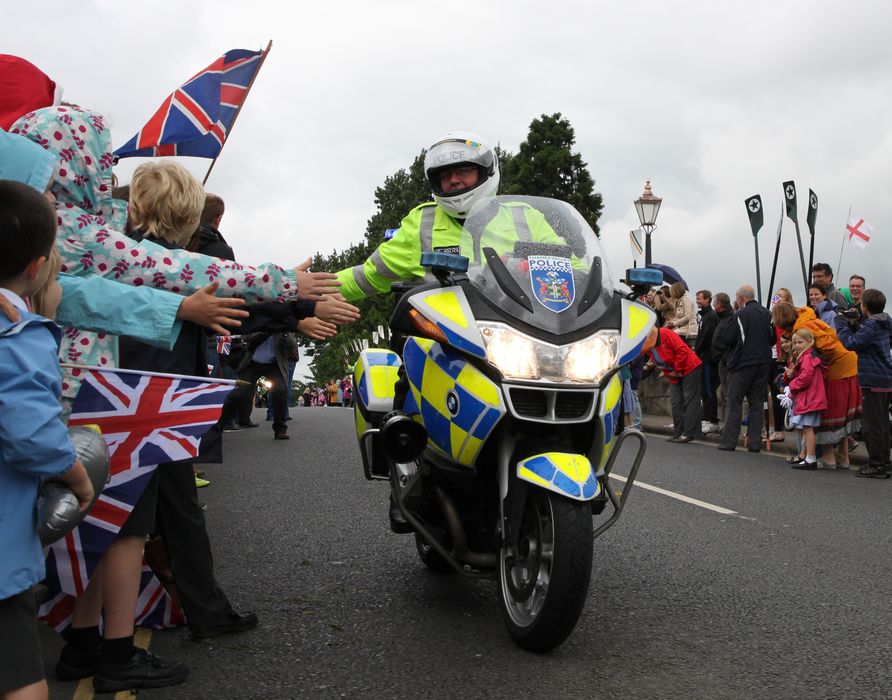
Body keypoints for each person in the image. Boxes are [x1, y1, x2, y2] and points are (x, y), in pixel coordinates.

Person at [0, 180, 94, 700]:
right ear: (37, 268)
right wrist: (78, 478)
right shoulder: (19, 331)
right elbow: (32, 435)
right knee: (20, 679)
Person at [335, 131, 561, 300]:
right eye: (445, 175)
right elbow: (368, 276)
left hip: (521, 331)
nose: (453, 180)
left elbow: (575, 269)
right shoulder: (422, 223)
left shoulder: (525, 218)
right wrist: (311, 291)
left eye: (463, 171)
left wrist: (531, 271)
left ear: (486, 171)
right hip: (443, 341)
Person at [772, 302, 861, 469]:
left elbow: (828, 348)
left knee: (828, 417)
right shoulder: (808, 319)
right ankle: (843, 456)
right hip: (848, 367)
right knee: (841, 417)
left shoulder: (804, 327)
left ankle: (829, 458)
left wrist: (815, 364)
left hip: (837, 372)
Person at [835, 289, 892, 478]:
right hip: (884, 378)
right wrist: (854, 323)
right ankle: (884, 462)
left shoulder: (872, 325)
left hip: (872, 379)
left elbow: (851, 343)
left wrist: (841, 325)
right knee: (882, 423)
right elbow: (866, 339)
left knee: (871, 425)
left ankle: (876, 464)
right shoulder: (884, 321)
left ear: (864, 306)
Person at [717, 285, 774, 453]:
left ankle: (729, 442)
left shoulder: (740, 314)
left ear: (741, 298)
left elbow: (728, 338)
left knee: (734, 402)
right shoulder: (766, 313)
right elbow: (772, 338)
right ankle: (755, 442)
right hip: (763, 363)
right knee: (756, 403)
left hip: (742, 363)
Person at [646, 326, 703, 442]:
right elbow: (658, 358)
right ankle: (679, 432)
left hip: (689, 367)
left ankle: (689, 433)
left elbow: (681, 350)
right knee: (676, 402)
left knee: (690, 400)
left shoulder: (665, 333)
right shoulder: (648, 343)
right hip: (674, 371)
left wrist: (676, 370)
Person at [783, 329, 828, 470]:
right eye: (795, 342)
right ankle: (804, 456)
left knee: (808, 429)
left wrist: (792, 385)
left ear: (810, 342)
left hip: (810, 398)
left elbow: (806, 378)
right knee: (805, 428)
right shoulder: (807, 356)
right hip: (809, 397)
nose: (796, 345)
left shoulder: (807, 357)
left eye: (800, 342)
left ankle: (810, 458)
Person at [694, 289, 719, 432]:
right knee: (704, 389)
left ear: (708, 299)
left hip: (708, 358)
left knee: (709, 390)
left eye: (700, 299)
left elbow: (706, 337)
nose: (697, 301)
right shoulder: (704, 316)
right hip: (703, 357)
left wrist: (697, 350)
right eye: (697, 299)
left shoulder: (710, 316)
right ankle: (706, 417)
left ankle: (712, 419)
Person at [710, 292, 734, 424]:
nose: (713, 306)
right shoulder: (722, 318)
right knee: (723, 394)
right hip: (721, 360)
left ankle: (728, 424)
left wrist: (724, 356)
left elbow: (729, 340)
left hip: (726, 361)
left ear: (719, 304)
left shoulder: (730, 318)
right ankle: (725, 424)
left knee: (727, 394)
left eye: (714, 303)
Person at [665, 282, 698, 347]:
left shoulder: (686, 300)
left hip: (688, 328)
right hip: (682, 328)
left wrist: (674, 323)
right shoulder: (679, 301)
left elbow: (687, 317)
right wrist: (671, 323)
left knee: (670, 336)